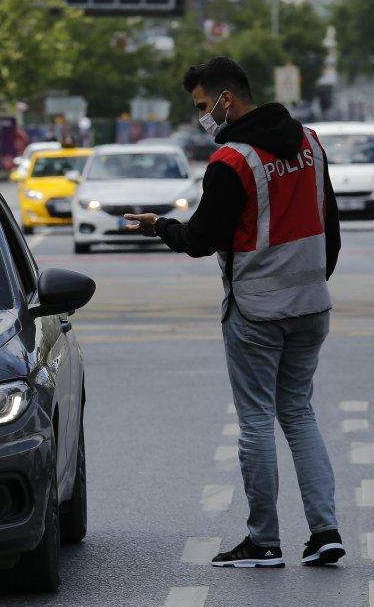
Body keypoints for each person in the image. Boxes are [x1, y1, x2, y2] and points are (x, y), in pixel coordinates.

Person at [123, 57, 344, 569]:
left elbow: (202, 240)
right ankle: (325, 530)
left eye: (204, 105)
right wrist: (314, 280)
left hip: (256, 311)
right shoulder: (310, 142)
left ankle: (263, 540)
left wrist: (160, 226)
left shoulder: (232, 161)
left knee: (255, 423)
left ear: (228, 98)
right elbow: (330, 225)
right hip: (311, 307)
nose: (203, 115)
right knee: (299, 413)